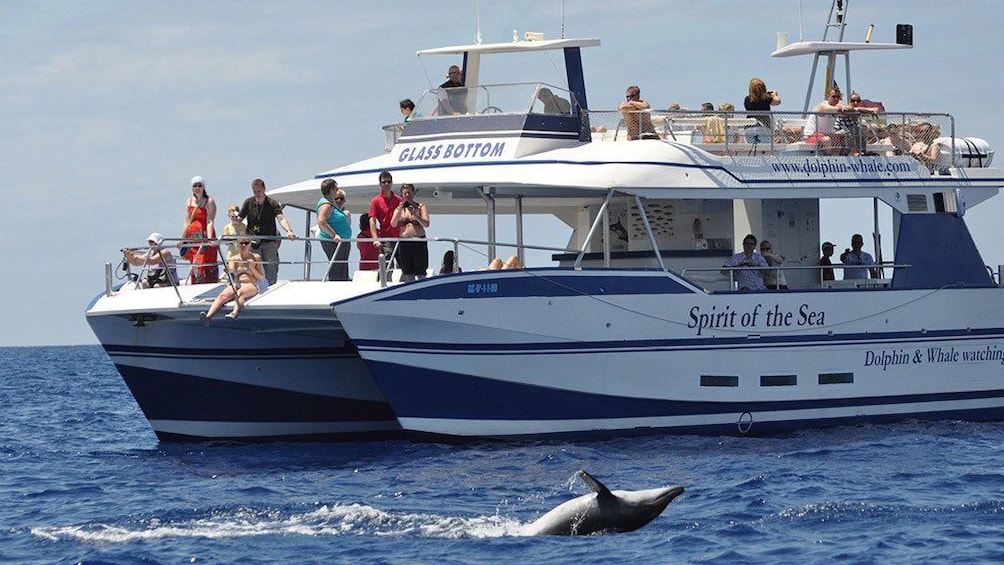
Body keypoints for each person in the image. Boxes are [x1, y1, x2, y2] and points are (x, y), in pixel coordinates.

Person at [239, 177, 297, 286]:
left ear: (264, 189)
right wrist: (235, 217)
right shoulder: (248, 202)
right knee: (252, 267)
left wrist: (289, 231)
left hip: (269, 242)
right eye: (255, 192)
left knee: (271, 268)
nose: (257, 194)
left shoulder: (272, 203)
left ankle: (271, 287)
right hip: (253, 242)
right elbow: (240, 219)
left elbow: (281, 218)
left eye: (259, 191)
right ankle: (253, 289)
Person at [200, 237, 264, 324]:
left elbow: (260, 277)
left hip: (251, 284)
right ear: (238, 244)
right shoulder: (234, 258)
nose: (244, 245)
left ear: (250, 244)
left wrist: (252, 268)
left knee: (240, 293)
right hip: (237, 283)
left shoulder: (256, 257)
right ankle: (208, 317)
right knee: (223, 295)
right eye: (241, 243)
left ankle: (234, 313)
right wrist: (229, 270)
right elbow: (231, 269)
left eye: (246, 243)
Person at [180, 175, 219, 284]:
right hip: (193, 237)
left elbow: (210, 221)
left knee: (208, 260)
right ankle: (196, 283)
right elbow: (187, 221)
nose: (197, 188)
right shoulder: (189, 201)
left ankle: (210, 283)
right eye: (195, 185)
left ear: (203, 187)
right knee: (195, 261)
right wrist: (181, 239)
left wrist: (210, 238)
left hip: (205, 234)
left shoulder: (209, 201)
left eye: (199, 185)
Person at [390, 183, 430, 281]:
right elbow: (393, 223)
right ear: (402, 195)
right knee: (407, 272)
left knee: (421, 272)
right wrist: (400, 208)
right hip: (404, 242)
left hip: (418, 242)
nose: (407, 195)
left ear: (413, 193)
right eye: (405, 193)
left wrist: (416, 215)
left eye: (409, 193)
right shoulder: (399, 209)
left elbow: (426, 223)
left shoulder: (421, 207)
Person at [316, 179, 352, 281]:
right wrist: (334, 235)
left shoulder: (329, 204)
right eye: (336, 188)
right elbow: (321, 221)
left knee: (341, 268)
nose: (337, 190)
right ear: (331, 190)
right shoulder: (326, 205)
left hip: (340, 241)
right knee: (337, 268)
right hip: (334, 242)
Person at [369, 170, 403, 267]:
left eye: (389, 182)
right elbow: (372, 220)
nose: (386, 184)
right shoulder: (375, 201)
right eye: (384, 182)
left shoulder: (399, 200)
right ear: (380, 184)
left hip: (400, 238)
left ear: (392, 183)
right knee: (388, 267)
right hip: (386, 239)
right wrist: (375, 239)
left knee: (405, 267)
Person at [803, 88, 849, 152]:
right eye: (834, 96)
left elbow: (848, 109)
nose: (836, 99)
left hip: (826, 134)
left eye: (838, 97)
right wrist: (841, 108)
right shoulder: (822, 105)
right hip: (811, 135)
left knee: (842, 138)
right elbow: (826, 108)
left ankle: (838, 159)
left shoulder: (838, 107)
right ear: (828, 97)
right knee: (827, 140)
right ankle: (828, 159)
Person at [743, 78, 781, 144]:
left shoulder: (747, 99)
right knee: (766, 148)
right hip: (764, 128)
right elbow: (778, 102)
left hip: (749, 128)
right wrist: (774, 94)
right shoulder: (766, 98)